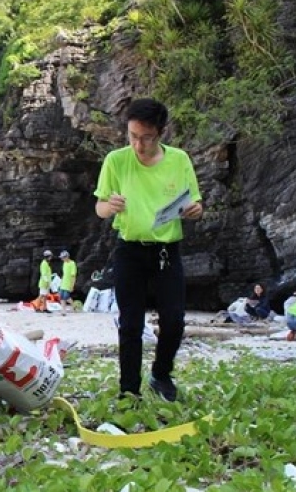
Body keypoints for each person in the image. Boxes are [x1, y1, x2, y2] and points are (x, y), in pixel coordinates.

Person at [93, 98, 204, 402]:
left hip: (167, 251)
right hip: (129, 250)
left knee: (174, 319)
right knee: (131, 323)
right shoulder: (116, 160)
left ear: (161, 133)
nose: (139, 145)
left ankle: (161, 374)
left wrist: (195, 210)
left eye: (146, 138)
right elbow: (100, 207)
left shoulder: (179, 160)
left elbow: (195, 203)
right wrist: (109, 206)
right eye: (133, 136)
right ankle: (129, 389)